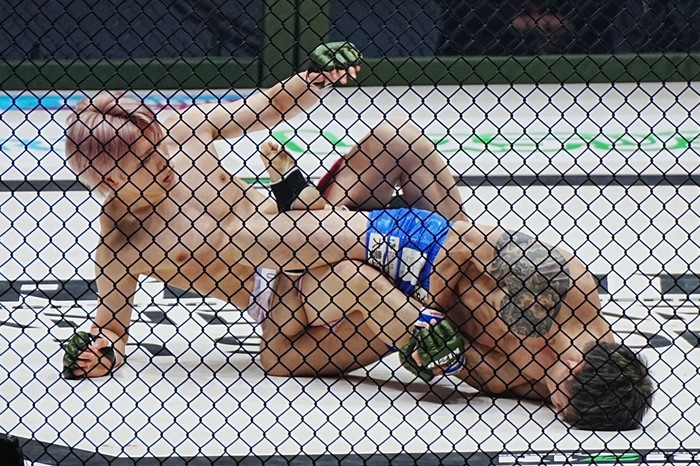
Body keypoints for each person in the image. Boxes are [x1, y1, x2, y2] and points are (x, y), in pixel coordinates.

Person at [60, 41, 456, 381]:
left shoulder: (183, 130)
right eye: (147, 159)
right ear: (110, 180)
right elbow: (113, 329)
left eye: (158, 144)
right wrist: (98, 354)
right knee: (341, 288)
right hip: (289, 291)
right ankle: (429, 324)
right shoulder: (122, 246)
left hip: (312, 220)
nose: (164, 158)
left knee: (397, 139)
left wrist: (314, 77)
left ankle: (466, 254)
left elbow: (269, 104)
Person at [253, 140, 654, 431]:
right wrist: (431, 309)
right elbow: (461, 240)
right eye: (566, 403)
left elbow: (467, 366)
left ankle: (314, 209)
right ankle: (310, 210)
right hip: (428, 258)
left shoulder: (553, 384)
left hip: (407, 316)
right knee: (395, 142)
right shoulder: (558, 284)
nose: (557, 410)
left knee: (278, 360)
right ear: (576, 367)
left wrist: (444, 358)